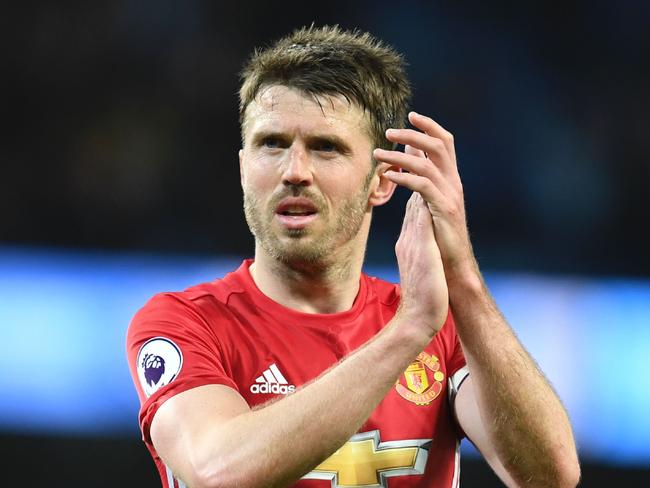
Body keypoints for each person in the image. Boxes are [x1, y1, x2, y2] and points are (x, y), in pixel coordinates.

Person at [126, 25, 580, 488]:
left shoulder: (443, 328)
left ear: (383, 180)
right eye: (272, 144)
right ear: (244, 168)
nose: (294, 171)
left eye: (326, 147)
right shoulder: (181, 323)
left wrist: (462, 277)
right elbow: (216, 472)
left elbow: (550, 477)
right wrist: (407, 332)